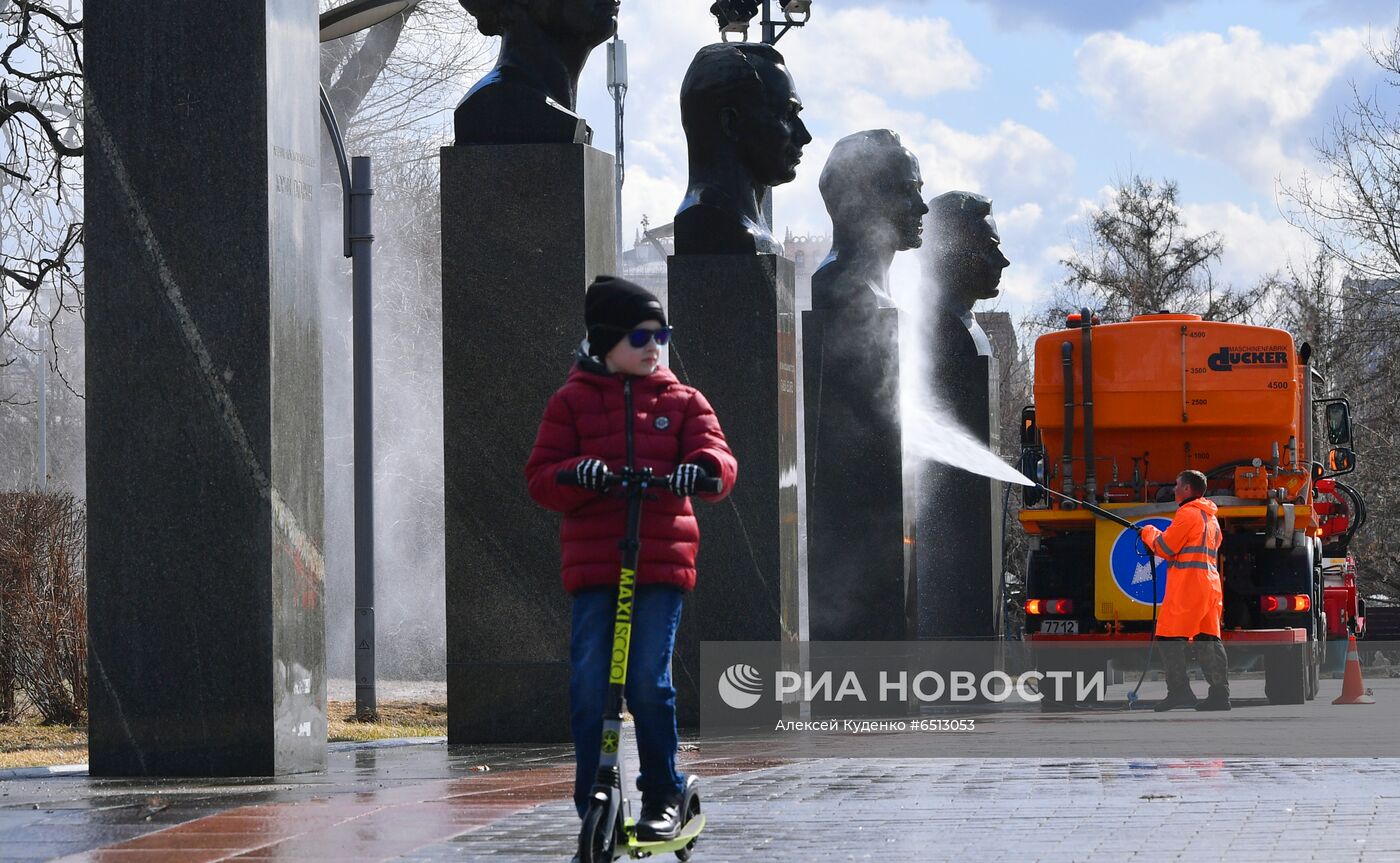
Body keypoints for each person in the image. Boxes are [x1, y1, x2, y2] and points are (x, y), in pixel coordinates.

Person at [525, 276, 738, 843]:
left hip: (660, 562)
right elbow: (541, 477)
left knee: (647, 678)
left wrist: (704, 468)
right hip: (598, 565)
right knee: (592, 682)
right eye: (641, 335)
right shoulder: (569, 402)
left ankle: (664, 790)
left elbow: (718, 455)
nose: (654, 345)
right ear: (604, 341)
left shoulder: (683, 401)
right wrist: (576, 474)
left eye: (661, 333)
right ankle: (594, 793)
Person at [674, 42, 812, 255]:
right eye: (787, 114)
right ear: (731, 122)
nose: (805, 136)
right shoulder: (707, 223)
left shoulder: (754, 233)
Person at [1138, 469, 1230, 711]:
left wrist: (1149, 533)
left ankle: (1179, 692)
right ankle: (1220, 694)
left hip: (1189, 584)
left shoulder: (1187, 514)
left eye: (1178, 485)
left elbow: (1165, 548)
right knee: (1208, 637)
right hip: (1210, 584)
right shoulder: (1210, 517)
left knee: (1168, 635)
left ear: (1188, 489)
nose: (1174, 489)